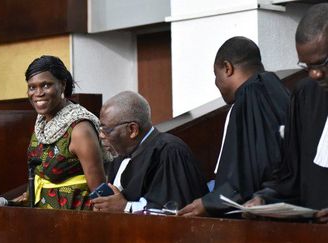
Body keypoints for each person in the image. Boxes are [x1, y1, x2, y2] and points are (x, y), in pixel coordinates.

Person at [178, 37, 290, 217]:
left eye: (216, 75)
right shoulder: (280, 91)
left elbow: (248, 174)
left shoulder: (249, 95)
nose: (216, 83)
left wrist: (209, 202)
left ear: (227, 68)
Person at [245, 3, 328, 223]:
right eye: (306, 66)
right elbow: (291, 176)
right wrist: (265, 199)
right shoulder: (306, 94)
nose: (316, 74)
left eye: (322, 63)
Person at [91, 91, 208, 213]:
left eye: (106, 130)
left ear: (132, 129)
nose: (101, 135)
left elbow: (176, 210)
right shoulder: (121, 154)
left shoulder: (169, 152)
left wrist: (126, 207)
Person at [16, 55, 106, 210]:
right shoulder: (42, 122)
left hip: (74, 217)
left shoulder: (80, 129)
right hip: (43, 217)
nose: (38, 93)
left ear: (62, 85)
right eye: (32, 87)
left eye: (45, 85)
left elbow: (100, 191)